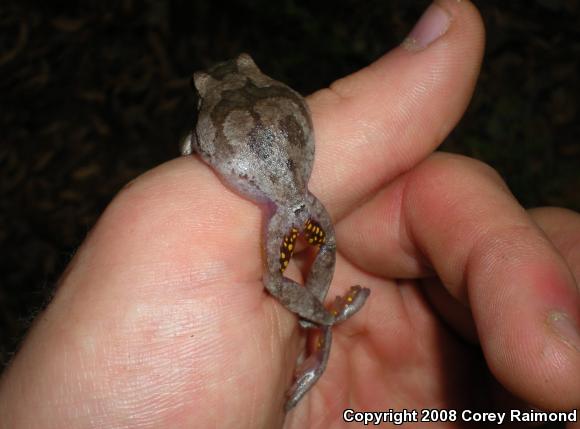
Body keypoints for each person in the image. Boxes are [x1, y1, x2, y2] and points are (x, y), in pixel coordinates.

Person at [0, 0, 578, 427]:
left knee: (283, 276)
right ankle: (322, 325)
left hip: (282, 206)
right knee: (302, 260)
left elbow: (192, 148)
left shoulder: (210, 126)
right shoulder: (276, 107)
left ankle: (322, 324)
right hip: (302, 197)